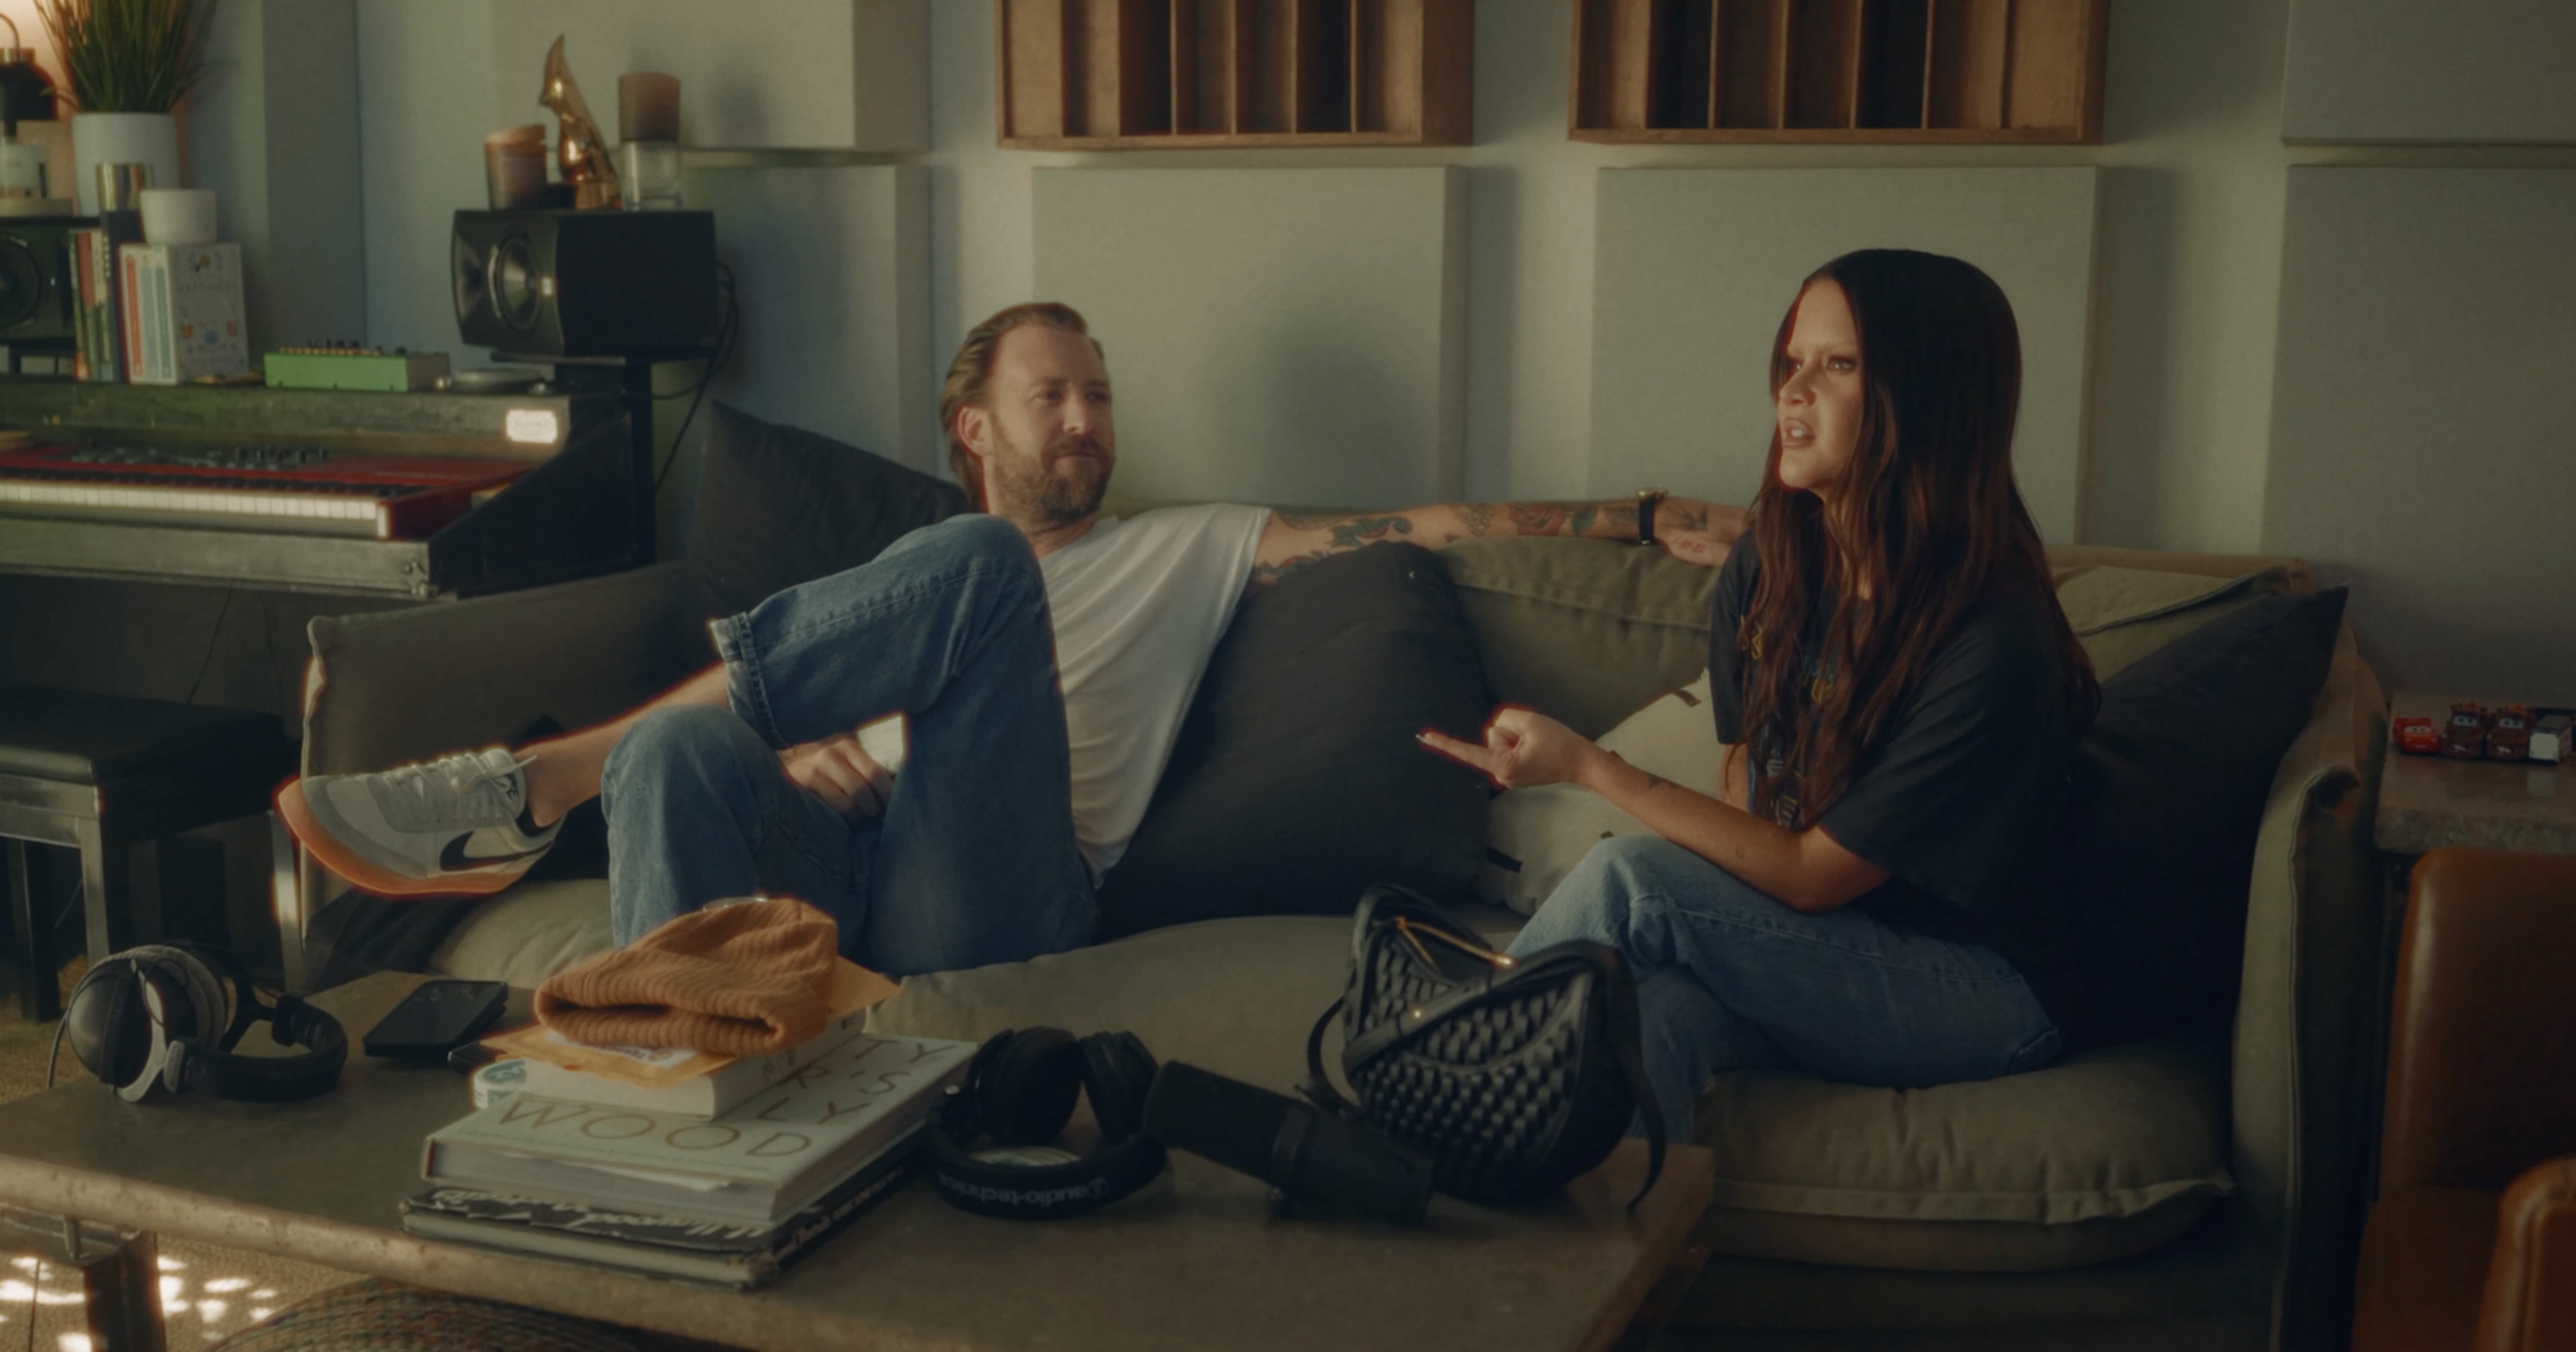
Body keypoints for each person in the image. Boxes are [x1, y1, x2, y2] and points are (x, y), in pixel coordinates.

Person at [278, 301, 1745, 978]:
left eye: (1101, 395)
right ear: (975, 424)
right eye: (1055, 397)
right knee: (674, 748)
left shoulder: (1189, 545)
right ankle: (668, 1079)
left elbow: (1421, 527)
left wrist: (1638, 510)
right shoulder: (910, 578)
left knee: (971, 570)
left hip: (1008, 894)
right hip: (843, 860)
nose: (1090, 422)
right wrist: (795, 753)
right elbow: (802, 707)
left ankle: (533, 785)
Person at [1421, 250, 2098, 1140]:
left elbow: (1813, 875)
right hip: (1823, 952)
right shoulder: (1771, 566)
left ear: (1926, 398)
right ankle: (1588, 1264)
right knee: (1637, 1021)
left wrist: (1588, 765)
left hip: (1987, 991)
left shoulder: (1994, 640)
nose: (1794, 389)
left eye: (1839, 365)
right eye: (1792, 359)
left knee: (1635, 880)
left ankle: (1422, 1071)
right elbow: (1750, 784)